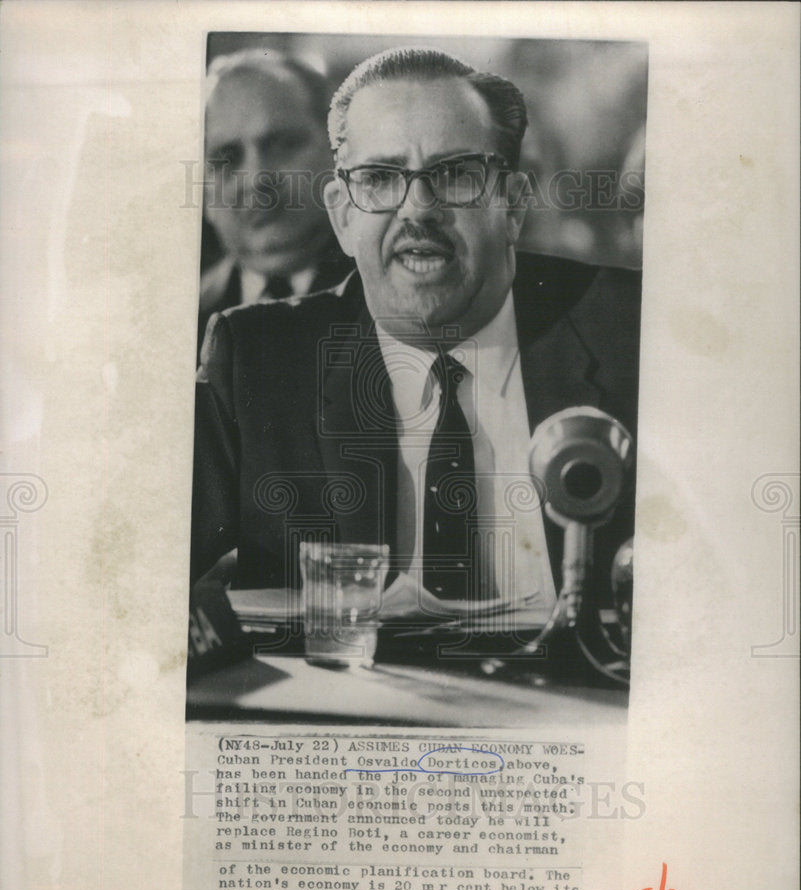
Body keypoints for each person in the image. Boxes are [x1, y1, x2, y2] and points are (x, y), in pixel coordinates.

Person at [191, 47, 640, 614]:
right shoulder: (256, 362)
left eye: (454, 175)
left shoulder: (633, 332)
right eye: (380, 178)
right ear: (344, 214)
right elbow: (130, 575)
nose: (417, 209)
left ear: (513, 203)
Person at [198, 49, 352, 358]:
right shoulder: (182, 313)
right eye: (226, 158)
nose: (257, 178)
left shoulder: (392, 296)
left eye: (282, 145)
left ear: (337, 154)